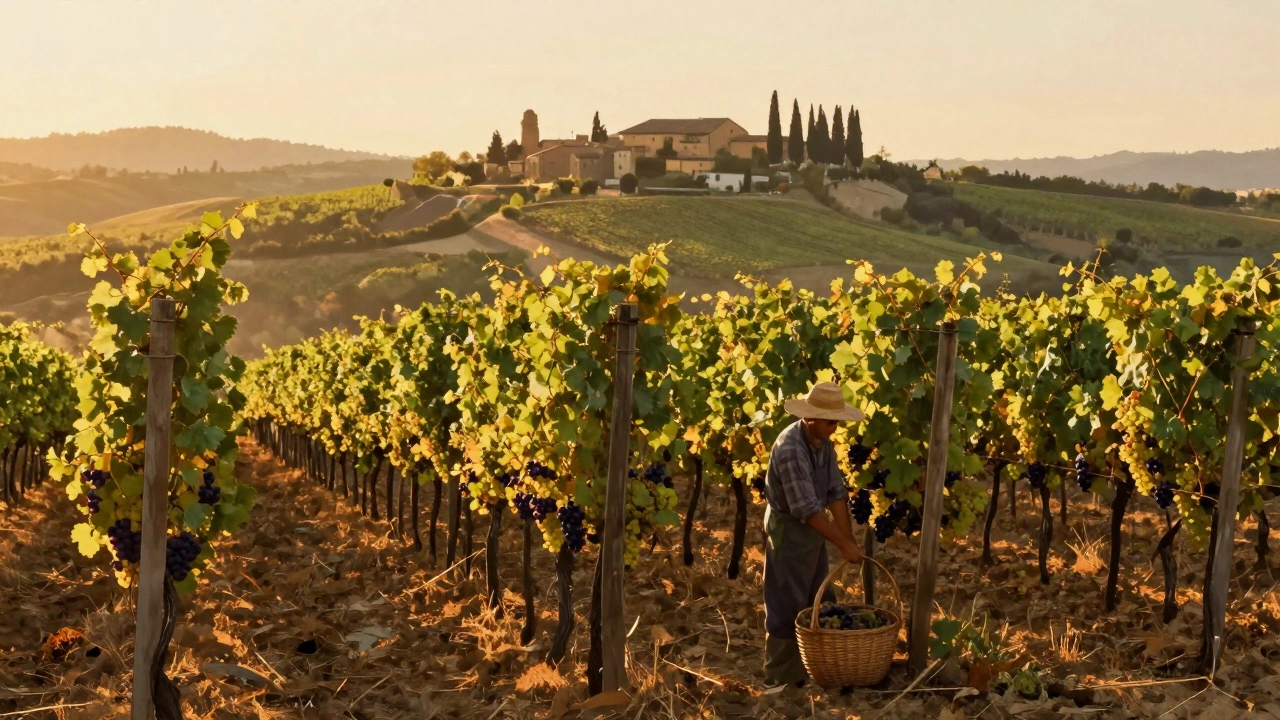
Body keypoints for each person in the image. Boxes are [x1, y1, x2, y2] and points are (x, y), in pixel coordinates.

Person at [762, 381, 865, 687]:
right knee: (787, 603)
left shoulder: (823, 444)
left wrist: (849, 540)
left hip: (811, 529)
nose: (835, 427)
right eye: (831, 421)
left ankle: (812, 669)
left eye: (837, 421)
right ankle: (780, 679)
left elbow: (835, 493)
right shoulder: (790, 449)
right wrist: (843, 543)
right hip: (789, 531)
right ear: (811, 419)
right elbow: (805, 509)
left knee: (816, 598)